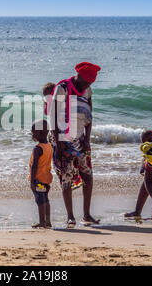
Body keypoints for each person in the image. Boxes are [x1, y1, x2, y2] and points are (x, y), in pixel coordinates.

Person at [49, 62, 101, 228]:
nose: (87, 85)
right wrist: (59, 141)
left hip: (80, 139)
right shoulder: (62, 88)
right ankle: (70, 216)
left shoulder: (87, 91)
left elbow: (89, 116)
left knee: (88, 176)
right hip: (62, 139)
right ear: (78, 77)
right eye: (86, 82)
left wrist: (87, 139)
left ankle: (86, 215)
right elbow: (52, 115)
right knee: (66, 178)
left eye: (90, 83)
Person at [29, 120, 53, 229]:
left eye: (34, 132)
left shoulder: (37, 149)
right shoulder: (49, 146)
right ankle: (47, 222)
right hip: (46, 178)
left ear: (40, 133)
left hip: (38, 179)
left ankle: (42, 222)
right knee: (46, 200)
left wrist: (32, 181)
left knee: (40, 201)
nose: (32, 134)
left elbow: (34, 166)